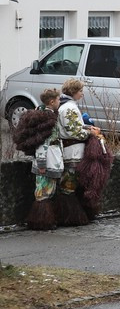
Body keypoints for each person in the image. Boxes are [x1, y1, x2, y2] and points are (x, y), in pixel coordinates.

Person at [55, 78, 104, 226]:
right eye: (80, 91)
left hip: (71, 150)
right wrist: (91, 133)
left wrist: (87, 128)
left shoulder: (64, 105)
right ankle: (68, 217)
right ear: (74, 92)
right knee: (69, 185)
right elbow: (74, 131)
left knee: (70, 184)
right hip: (73, 152)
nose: (82, 94)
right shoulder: (69, 107)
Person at [13, 88, 63, 230]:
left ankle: (44, 219)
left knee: (48, 191)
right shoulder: (46, 119)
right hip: (46, 161)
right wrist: (41, 162)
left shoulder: (50, 116)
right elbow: (42, 143)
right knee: (43, 192)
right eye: (58, 100)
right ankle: (42, 221)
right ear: (52, 101)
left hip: (51, 159)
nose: (60, 102)